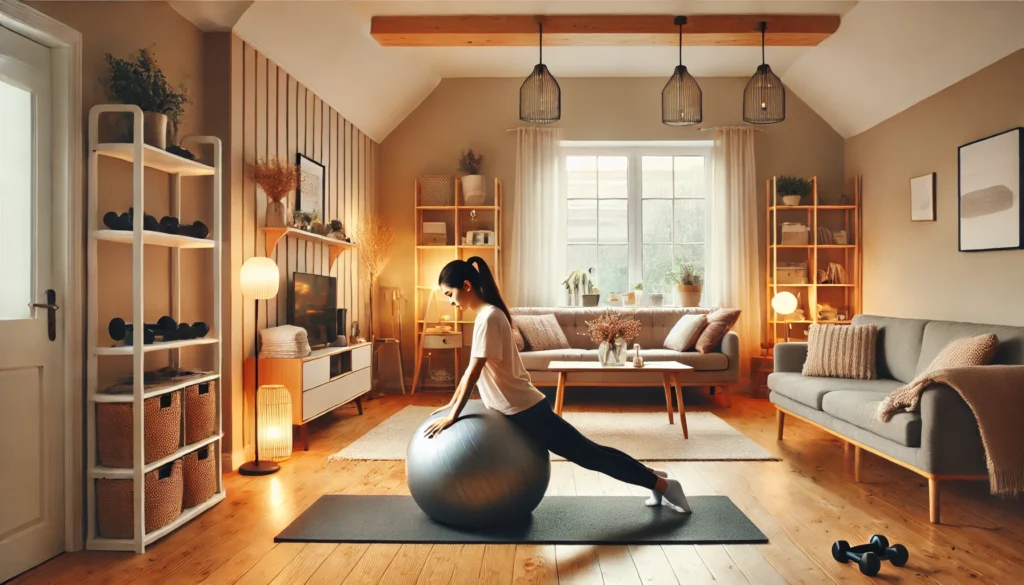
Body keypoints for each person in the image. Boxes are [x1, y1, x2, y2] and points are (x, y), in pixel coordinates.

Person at [422, 256, 692, 513]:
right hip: (520, 408)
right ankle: (656, 479)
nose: (450, 302)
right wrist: (450, 404)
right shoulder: (486, 316)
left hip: (525, 410)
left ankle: (664, 486)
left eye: (449, 294)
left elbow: (473, 371)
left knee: (591, 456)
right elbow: (473, 370)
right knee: (593, 452)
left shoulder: (490, 317)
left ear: (466, 286)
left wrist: (452, 415)